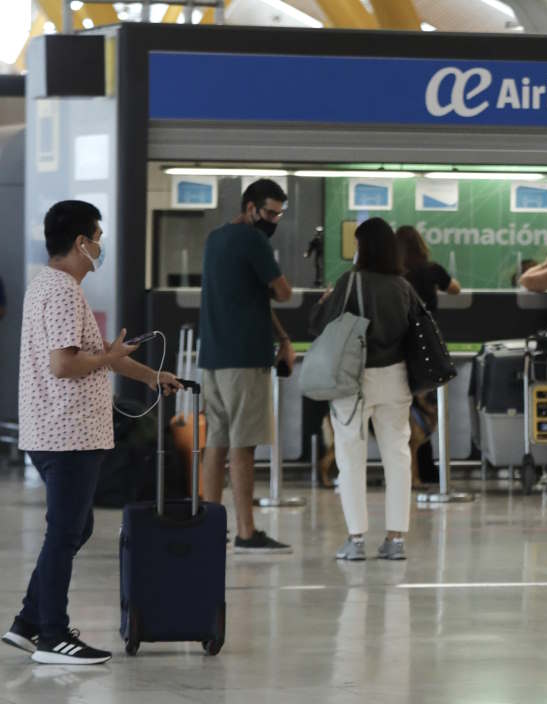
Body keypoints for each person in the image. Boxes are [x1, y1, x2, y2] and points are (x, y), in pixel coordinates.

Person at [5, 201, 179, 665]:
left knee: (76, 528)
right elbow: (66, 365)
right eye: (97, 236)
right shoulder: (62, 290)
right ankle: (53, 636)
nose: (100, 245)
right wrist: (106, 359)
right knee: (65, 532)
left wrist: (148, 375)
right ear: (82, 242)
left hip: (56, 431)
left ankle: (27, 624)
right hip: (68, 434)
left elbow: (92, 351)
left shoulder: (48, 285)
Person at [311, 218, 420, 561]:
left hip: (355, 379)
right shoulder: (403, 286)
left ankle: (356, 539)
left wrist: (326, 300)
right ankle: (396, 540)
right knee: (398, 456)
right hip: (397, 378)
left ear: (364, 247)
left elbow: (318, 324)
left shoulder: (350, 282)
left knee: (351, 456)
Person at [199, 179, 295, 554]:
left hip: (213, 359)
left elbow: (252, 301)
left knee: (216, 443)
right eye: (270, 212)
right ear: (251, 207)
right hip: (244, 359)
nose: (274, 220)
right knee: (244, 445)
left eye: (279, 214)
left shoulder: (214, 239)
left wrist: (283, 337)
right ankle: (246, 530)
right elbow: (283, 292)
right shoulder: (254, 241)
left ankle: (209, 525)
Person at [396, 225, 460, 486]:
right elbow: (454, 288)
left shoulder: (397, 274)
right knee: (428, 404)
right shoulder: (432, 270)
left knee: (404, 405)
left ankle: (405, 468)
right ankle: (426, 466)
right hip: (429, 344)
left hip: (401, 344)